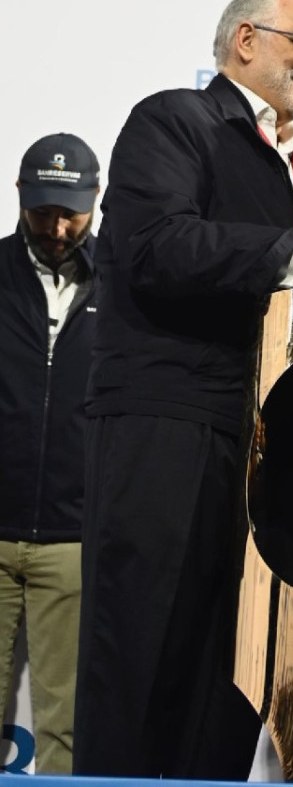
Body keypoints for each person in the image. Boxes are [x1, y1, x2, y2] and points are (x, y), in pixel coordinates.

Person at [72, 0, 293, 781]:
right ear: (245, 41)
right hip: (167, 424)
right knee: (139, 657)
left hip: (268, 449)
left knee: (235, 674)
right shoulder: (174, 121)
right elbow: (157, 246)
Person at [0, 133, 100, 774]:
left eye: (71, 213)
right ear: (20, 199)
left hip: (73, 537)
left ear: (95, 202)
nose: (58, 228)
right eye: (43, 213)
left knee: (65, 726)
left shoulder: (123, 285)